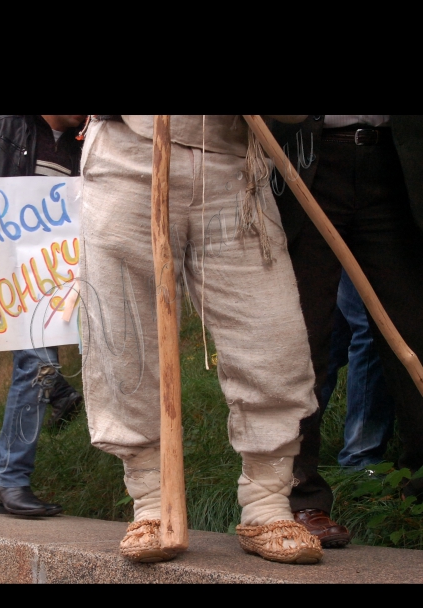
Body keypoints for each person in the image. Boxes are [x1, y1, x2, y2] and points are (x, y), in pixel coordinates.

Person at [79, 115, 323, 565]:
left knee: (274, 336)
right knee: (123, 337)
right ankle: (153, 501)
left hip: (235, 163)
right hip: (127, 151)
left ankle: (267, 504)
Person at [271, 115, 423, 547]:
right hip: (307, 159)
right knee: (301, 339)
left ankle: (420, 482)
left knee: (413, 330)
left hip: (398, 158)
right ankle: (298, 497)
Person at [0, 115, 87, 517]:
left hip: (54, 274)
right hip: (0, 270)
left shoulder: (86, 143)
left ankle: (9, 483)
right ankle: (10, 482)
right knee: (40, 365)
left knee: (40, 368)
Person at [321, 270, 395, 470]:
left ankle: (284, 441)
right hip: (365, 241)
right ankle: (360, 456)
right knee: (375, 328)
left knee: (334, 335)